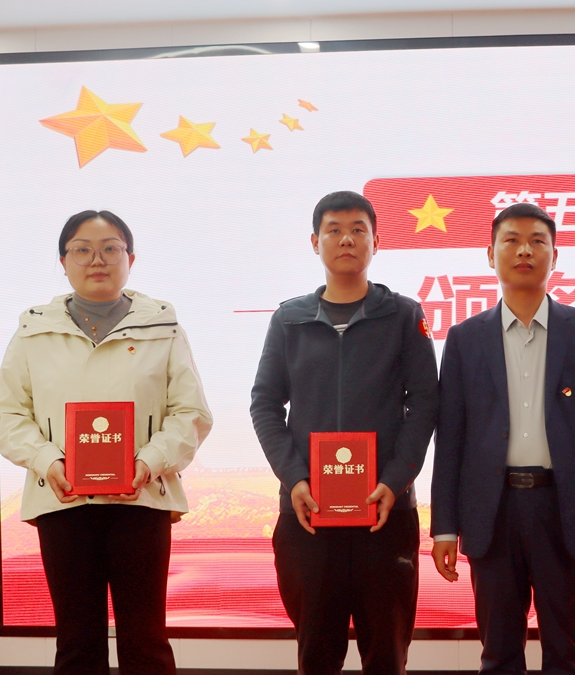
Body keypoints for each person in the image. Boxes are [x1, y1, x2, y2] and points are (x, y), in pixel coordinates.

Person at [0, 210, 212, 675]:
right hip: (63, 500)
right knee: (76, 641)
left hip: (142, 499)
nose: (97, 260)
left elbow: (190, 412)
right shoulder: (33, 330)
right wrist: (47, 460)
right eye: (83, 250)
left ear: (130, 259)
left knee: (146, 640)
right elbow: (6, 414)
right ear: (63, 261)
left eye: (111, 249)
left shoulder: (163, 326)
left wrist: (149, 461)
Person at [431, 202, 575, 675]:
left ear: (554, 256)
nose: (524, 250)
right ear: (491, 254)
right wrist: (444, 527)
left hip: (564, 507)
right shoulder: (464, 338)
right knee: (498, 654)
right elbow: (450, 440)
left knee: (567, 653)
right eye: (512, 240)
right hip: (492, 511)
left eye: (538, 241)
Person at [250, 190, 439, 675]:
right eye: (333, 230)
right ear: (315, 242)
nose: (347, 240)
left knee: (386, 656)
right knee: (316, 654)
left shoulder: (403, 315)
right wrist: (294, 478)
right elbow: (265, 404)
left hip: (385, 514)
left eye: (358, 230)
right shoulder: (289, 319)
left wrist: (394, 481)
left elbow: (425, 404)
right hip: (308, 514)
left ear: (377, 241)